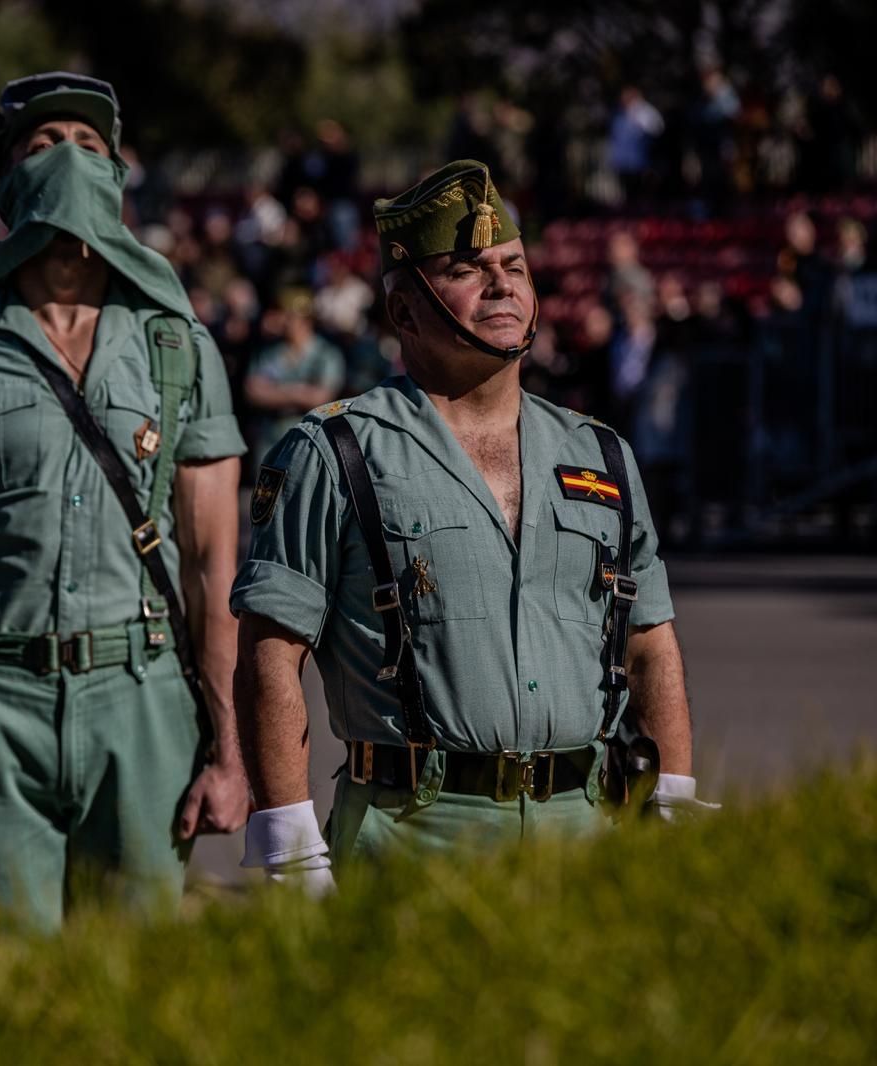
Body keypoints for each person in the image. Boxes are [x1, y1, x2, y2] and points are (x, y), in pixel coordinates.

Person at [232, 160, 714, 893]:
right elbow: (271, 656)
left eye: (514, 265)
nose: (502, 284)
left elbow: (651, 643)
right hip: (409, 832)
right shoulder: (333, 452)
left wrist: (674, 804)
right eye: (466, 268)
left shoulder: (602, 454)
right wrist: (289, 846)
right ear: (403, 312)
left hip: (585, 832)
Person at [0, 72, 250, 931]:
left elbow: (212, 570)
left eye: (89, 146)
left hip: (143, 699)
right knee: (14, 993)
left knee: (133, 994)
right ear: (4, 185)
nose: (69, 163)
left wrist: (229, 754)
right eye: (43, 148)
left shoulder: (176, 345)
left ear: (119, 174)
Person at [243, 288, 346, 464]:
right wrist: (298, 392)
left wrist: (275, 392)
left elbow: (321, 397)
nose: (280, 320)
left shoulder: (325, 354)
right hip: (271, 440)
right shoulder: (270, 352)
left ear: (304, 320)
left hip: (310, 440)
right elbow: (253, 391)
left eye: (287, 315)